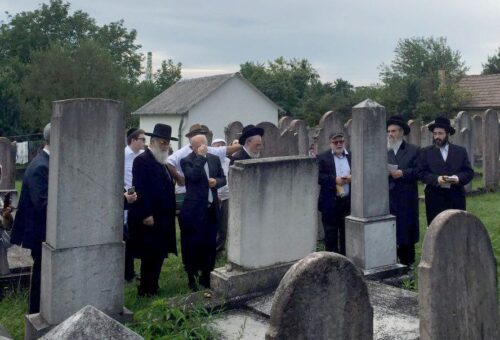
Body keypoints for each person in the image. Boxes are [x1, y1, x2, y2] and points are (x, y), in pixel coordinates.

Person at [128, 123, 178, 296]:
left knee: (159, 253)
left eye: (167, 143)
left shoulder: (162, 161)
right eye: (163, 142)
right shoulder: (142, 160)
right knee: (149, 255)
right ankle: (145, 289)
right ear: (154, 141)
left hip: (163, 216)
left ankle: (153, 285)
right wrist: (146, 214)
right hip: (151, 217)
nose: (165, 146)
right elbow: (139, 189)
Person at [10, 123, 50, 313]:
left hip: (45, 230)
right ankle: (35, 313)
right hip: (39, 231)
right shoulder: (41, 166)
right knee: (41, 274)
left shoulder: (47, 162)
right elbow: (42, 203)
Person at [179, 134, 226, 291]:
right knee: (193, 245)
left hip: (211, 209)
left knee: (209, 245)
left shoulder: (214, 158)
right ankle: (192, 277)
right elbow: (192, 177)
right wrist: (199, 157)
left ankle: (207, 276)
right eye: (198, 145)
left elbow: (222, 178)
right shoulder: (186, 160)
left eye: (204, 144)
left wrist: (216, 182)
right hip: (194, 210)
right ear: (192, 147)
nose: (202, 147)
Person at [417, 116, 474, 225]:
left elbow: (469, 172)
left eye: (440, 133)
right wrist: (436, 179)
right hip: (434, 198)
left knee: (457, 228)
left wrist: (457, 178)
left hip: (456, 197)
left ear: (447, 134)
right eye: (435, 133)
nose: (437, 136)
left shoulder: (460, 151)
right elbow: (421, 173)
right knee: (436, 231)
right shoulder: (425, 152)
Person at [167, 124, 240, 195]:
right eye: (197, 134)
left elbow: (223, 150)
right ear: (190, 137)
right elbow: (168, 162)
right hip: (185, 192)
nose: (200, 136)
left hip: (207, 195)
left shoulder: (210, 152)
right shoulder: (182, 154)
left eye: (201, 134)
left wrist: (216, 182)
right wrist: (179, 179)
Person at [386, 116, 420, 266]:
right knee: (389, 231)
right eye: (388, 131)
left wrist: (403, 173)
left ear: (401, 132)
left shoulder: (413, 150)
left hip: (406, 196)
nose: (390, 134)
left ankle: (408, 263)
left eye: (393, 131)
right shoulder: (383, 150)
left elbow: (419, 171)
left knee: (406, 231)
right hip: (388, 196)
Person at [317, 131, 351, 254]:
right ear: (330, 143)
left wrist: (352, 178)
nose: (338, 144)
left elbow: (360, 171)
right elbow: (318, 177)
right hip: (330, 202)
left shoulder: (351, 156)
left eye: (341, 141)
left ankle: (345, 260)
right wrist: (334, 180)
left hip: (347, 202)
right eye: (335, 142)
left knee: (346, 234)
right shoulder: (322, 157)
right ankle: (332, 261)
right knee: (330, 235)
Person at [123, 128, 144, 281]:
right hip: (126, 199)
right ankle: (127, 272)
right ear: (133, 140)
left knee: (134, 235)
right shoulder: (123, 155)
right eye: (142, 139)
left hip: (138, 198)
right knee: (125, 235)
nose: (144, 142)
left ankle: (130, 271)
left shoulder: (141, 156)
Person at [211, 138, 230, 251]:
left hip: (227, 195)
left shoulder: (228, 161)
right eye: (216, 146)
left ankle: (220, 248)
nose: (219, 148)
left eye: (222, 146)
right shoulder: (210, 160)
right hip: (214, 196)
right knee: (213, 223)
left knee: (224, 224)